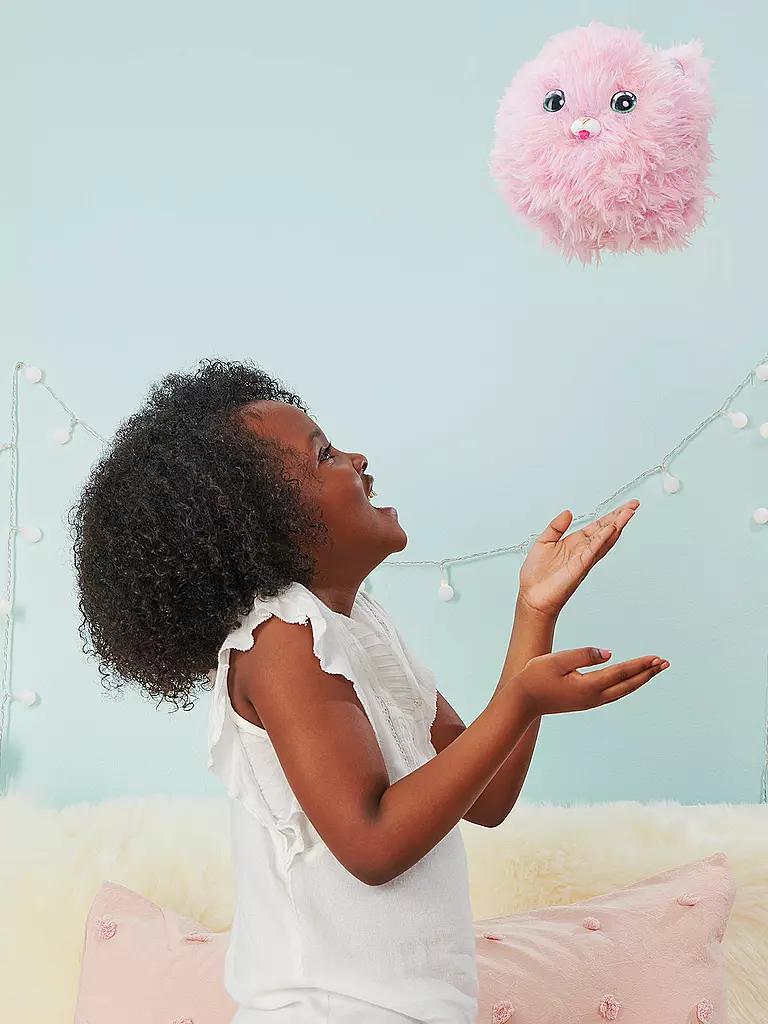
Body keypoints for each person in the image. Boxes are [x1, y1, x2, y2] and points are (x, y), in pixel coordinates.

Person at [70, 358, 668, 1024]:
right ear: (267, 524)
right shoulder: (282, 640)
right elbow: (373, 843)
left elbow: (488, 796)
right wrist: (520, 700)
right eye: (323, 455)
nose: (357, 458)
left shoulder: (358, 629)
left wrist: (534, 613)